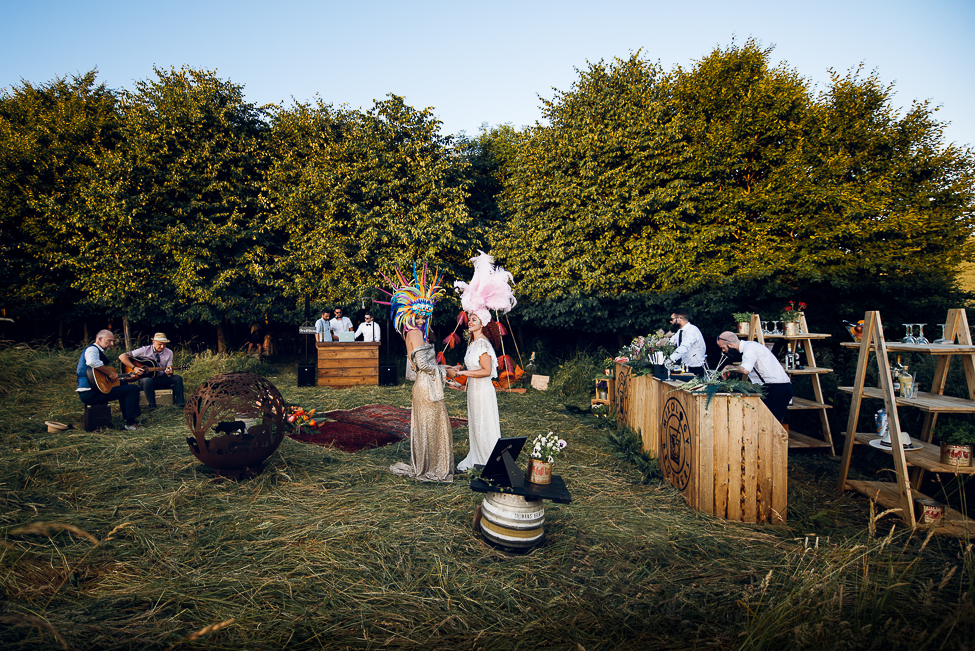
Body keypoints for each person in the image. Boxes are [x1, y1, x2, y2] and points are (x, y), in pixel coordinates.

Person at [384, 264, 453, 482]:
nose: (422, 321)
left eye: (425, 318)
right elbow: (422, 366)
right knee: (431, 424)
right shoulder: (414, 333)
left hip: (424, 384)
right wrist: (446, 369)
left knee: (430, 424)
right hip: (426, 385)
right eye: (418, 317)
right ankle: (431, 466)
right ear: (410, 315)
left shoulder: (414, 334)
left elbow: (417, 363)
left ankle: (429, 463)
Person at [450, 251, 518, 472]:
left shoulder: (483, 344)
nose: (470, 321)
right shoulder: (473, 343)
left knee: (484, 425)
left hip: (482, 390)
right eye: (470, 318)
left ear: (483, 323)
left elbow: (486, 371)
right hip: (473, 390)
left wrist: (463, 375)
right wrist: (459, 370)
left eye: (474, 320)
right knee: (476, 425)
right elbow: (472, 367)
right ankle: (478, 456)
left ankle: (490, 460)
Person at [716, 331, 793, 422]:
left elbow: (745, 370)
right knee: (763, 424)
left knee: (771, 425)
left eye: (723, 348)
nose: (723, 351)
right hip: (773, 387)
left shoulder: (750, 348)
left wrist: (729, 367)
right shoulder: (750, 346)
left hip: (778, 389)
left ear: (731, 344)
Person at [76, 329, 142, 430]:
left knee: (123, 383)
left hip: (94, 391)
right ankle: (130, 423)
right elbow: (92, 361)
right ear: (99, 339)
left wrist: (123, 376)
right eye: (109, 341)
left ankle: (127, 418)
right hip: (90, 393)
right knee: (133, 389)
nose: (111, 344)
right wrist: (110, 372)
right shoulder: (92, 349)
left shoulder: (97, 351)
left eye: (112, 341)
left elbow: (101, 378)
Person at [119, 332, 186, 410]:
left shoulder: (169, 352)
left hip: (160, 378)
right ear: (153, 342)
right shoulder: (144, 350)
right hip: (145, 379)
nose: (162, 346)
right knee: (148, 381)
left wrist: (169, 372)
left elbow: (168, 368)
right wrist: (134, 368)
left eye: (164, 344)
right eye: (160, 344)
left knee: (177, 378)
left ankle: (180, 403)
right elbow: (122, 356)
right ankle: (152, 406)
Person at [668, 309, 707, 376]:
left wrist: (670, 359)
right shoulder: (680, 331)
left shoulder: (692, 330)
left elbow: (684, 347)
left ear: (679, 319)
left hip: (695, 368)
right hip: (685, 367)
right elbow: (670, 342)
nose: (671, 321)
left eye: (673, 319)